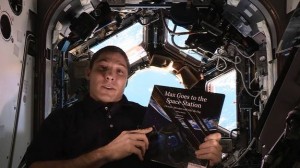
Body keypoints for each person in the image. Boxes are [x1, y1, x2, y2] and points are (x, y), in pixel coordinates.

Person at [24, 45, 222, 168]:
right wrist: (105, 154)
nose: (110, 76)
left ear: (126, 81)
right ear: (88, 73)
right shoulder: (62, 119)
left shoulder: (150, 119)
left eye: (119, 72)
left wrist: (208, 161)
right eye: (103, 68)